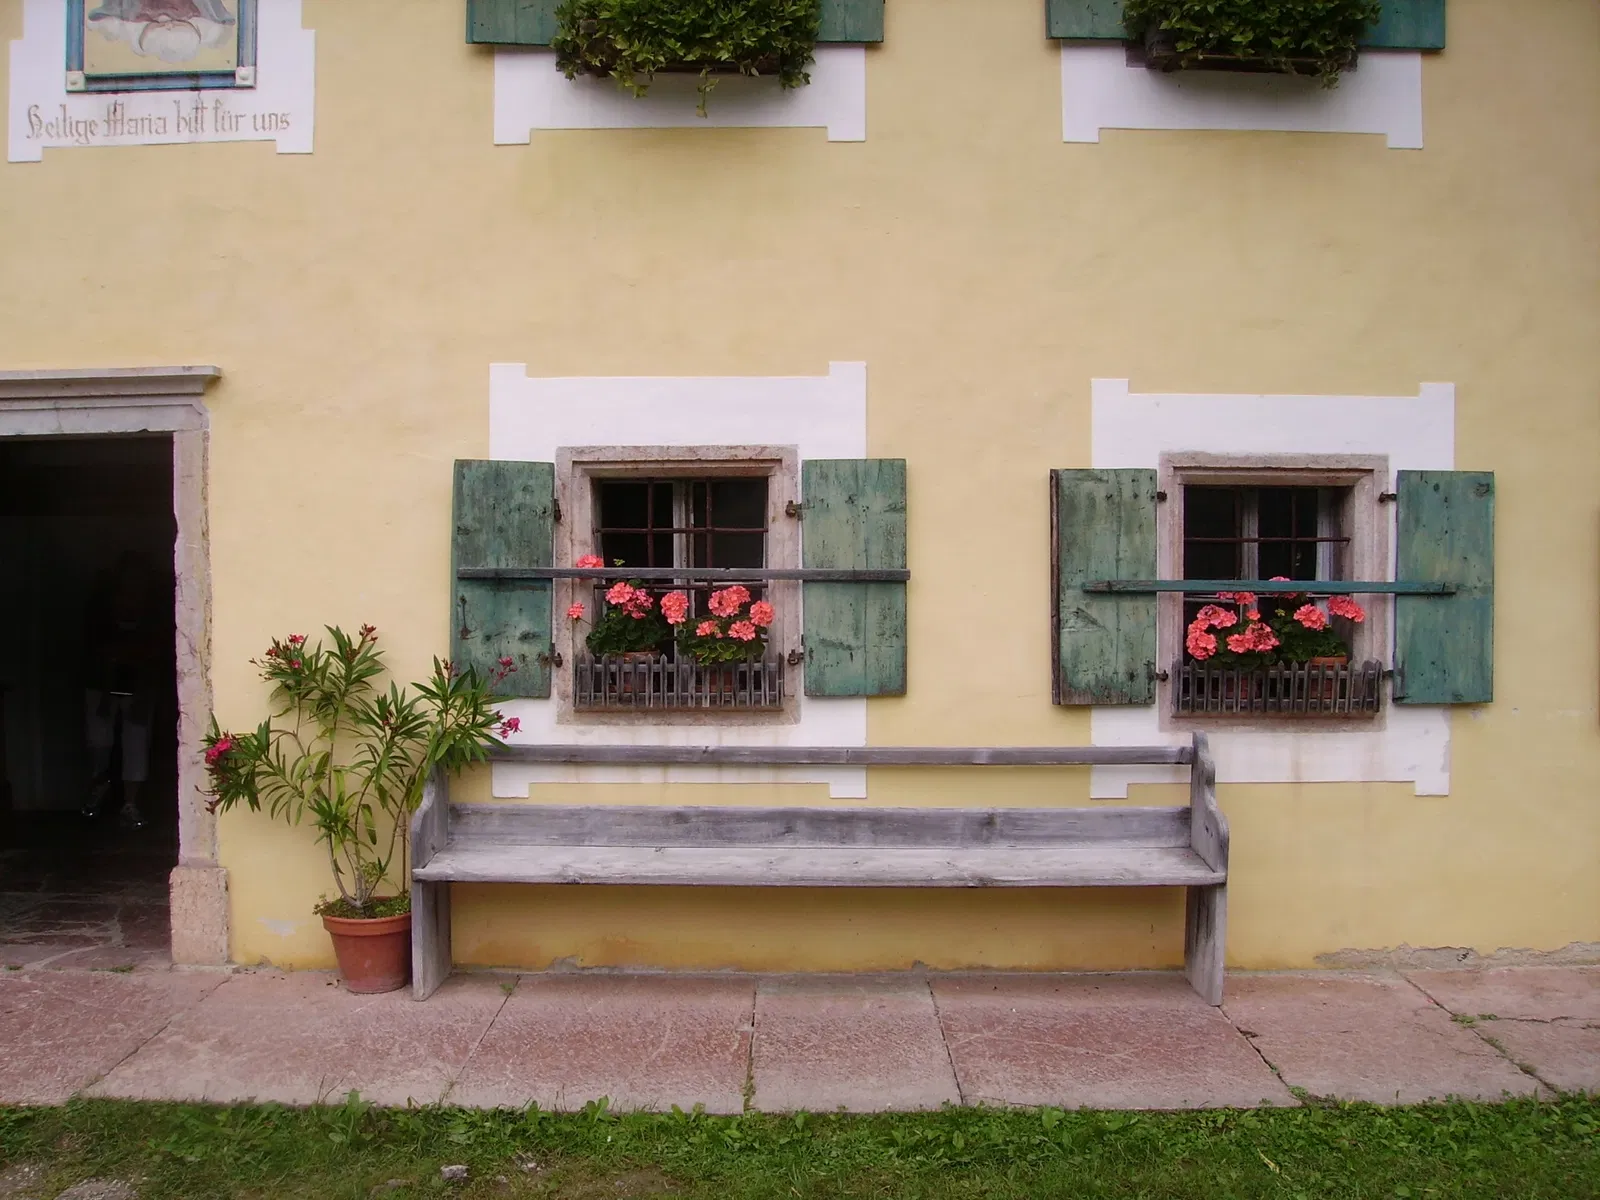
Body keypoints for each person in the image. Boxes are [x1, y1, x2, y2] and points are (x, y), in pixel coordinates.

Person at [80, 551, 166, 830]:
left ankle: (130, 804)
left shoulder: (153, 612)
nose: (133, 583)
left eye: (139, 577)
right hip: (101, 684)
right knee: (99, 742)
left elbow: (157, 650)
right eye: (129, 576)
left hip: (140, 687)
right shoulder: (102, 610)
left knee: (136, 743)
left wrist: (142, 679)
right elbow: (94, 648)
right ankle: (98, 789)